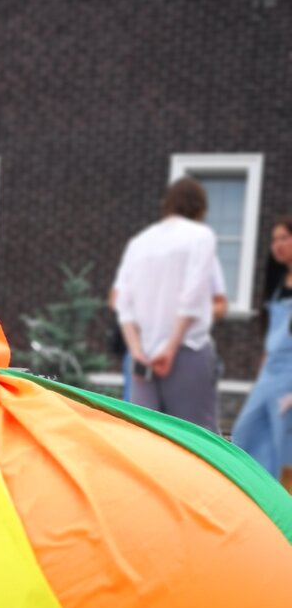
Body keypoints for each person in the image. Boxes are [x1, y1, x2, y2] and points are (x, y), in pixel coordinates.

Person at [114, 177, 220, 430]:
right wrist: (170, 348)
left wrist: (136, 350)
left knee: (145, 437)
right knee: (196, 439)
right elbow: (193, 297)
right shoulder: (201, 236)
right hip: (186, 350)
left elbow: (123, 302)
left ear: (168, 204)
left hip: (143, 356)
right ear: (200, 208)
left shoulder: (139, 243)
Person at [231, 214, 292, 487]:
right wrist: (262, 372)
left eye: (284, 238)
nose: (277, 245)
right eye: (274, 239)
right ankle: (257, 500)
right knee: (245, 433)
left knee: (285, 451)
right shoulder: (278, 283)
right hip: (269, 376)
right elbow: (272, 335)